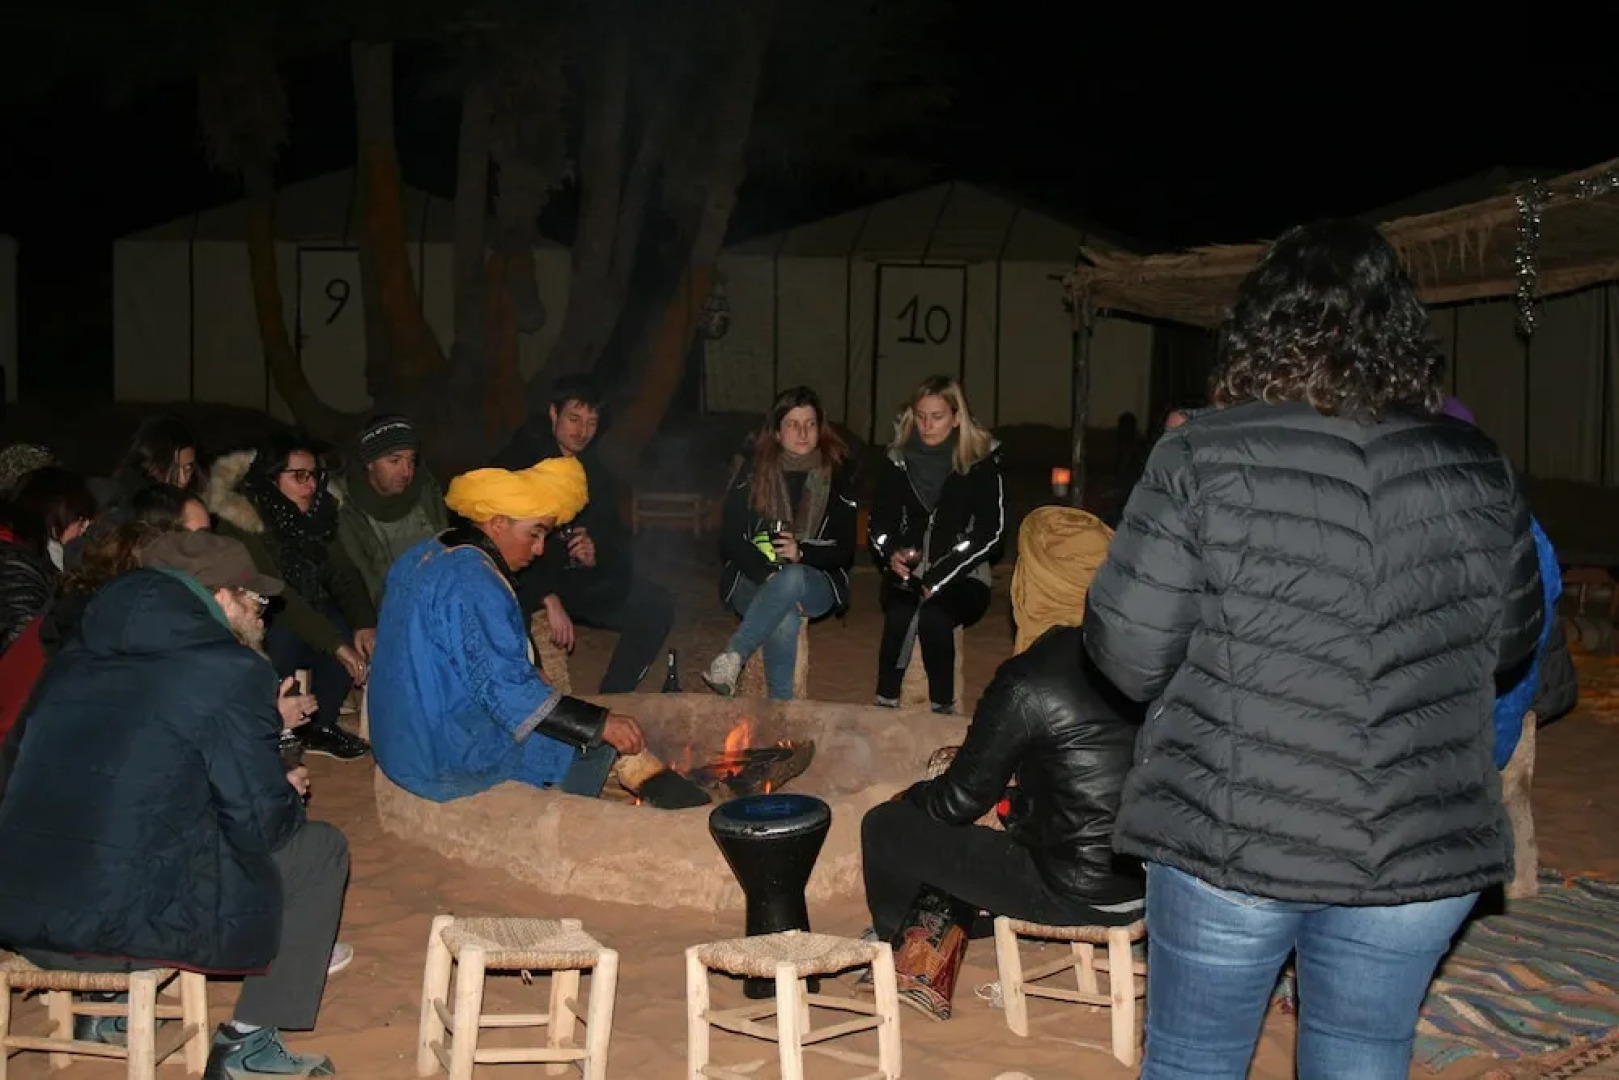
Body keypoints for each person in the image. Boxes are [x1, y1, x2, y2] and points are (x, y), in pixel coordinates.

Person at [1082, 219, 1545, 1079]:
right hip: (1417, 846)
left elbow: (1129, 656)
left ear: (1258, 328)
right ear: (1402, 330)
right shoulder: (1476, 465)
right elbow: (1513, 641)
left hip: (1234, 835)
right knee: (1362, 1058)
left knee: (1193, 1063)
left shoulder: (1200, 456)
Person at [0, 530, 349, 1077]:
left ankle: (101, 1010)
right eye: (257, 602)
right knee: (318, 850)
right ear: (221, 597)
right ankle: (248, 1046)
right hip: (117, 931)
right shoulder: (228, 670)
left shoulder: (73, 659)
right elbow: (264, 830)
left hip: (20, 910)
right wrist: (283, 787)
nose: (265, 616)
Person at [860, 510, 1143, 940]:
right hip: (1153, 884)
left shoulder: (1031, 677)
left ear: (1032, 582)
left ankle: (903, 941)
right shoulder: (1152, 656)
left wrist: (912, 796)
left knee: (885, 826)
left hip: (1074, 892)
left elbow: (958, 802)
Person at [369, 458, 646, 803]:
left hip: (396, 738)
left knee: (552, 714)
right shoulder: (474, 581)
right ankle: (571, 817)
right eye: (534, 533)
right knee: (585, 746)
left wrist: (532, 678)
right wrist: (599, 725)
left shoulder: (433, 549)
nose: (540, 548)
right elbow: (505, 691)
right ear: (497, 523)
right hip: (435, 756)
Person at [491, 375, 675, 693]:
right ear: (553, 414)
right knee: (509, 615)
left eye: (591, 422)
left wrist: (596, 550)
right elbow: (498, 546)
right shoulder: (520, 464)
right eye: (574, 418)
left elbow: (615, 536)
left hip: (572, 580)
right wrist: (545, 596)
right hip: (522, 581)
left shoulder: (592, 469)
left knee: (655, 604)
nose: (582, 430)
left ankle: (615, 696)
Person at [209, 436, 376, 762]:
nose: (310, 485)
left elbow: (344, 576)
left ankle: (320, 725)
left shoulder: (316, 514)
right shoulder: (244, 522)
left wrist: (364, 624)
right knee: (285, 639)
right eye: (298, 476)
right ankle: (268, 723)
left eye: (313, 475)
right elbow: (278, 594)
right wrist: (335, 643)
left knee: (343, 628)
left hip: (305, 606)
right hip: (257, 613)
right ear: (271, 479)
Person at [702, 386, 858, 699]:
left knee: (794, 575)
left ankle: (733, 656)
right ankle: (781, 707)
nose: (803, 432)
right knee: (784, 615)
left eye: (810, 424)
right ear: (776, 432)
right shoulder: (751, 472)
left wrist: (802, 552)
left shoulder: (836, 476)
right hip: (752, 576)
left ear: (820, 428)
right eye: (793, 424)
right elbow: (730, 539)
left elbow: (843, 549)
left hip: (815, 580)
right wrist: (766, 574)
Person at [867, 375, 1004, 714]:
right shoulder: (898, 459)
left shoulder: (979, 461)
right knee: (899, 613)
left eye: (937, 416)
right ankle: (885, 702)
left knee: (935, 617)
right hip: (909, 569)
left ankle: (943, 709)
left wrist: (939, 576)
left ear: (957, 417)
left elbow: (991, 532)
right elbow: (880, 521)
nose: (927, 425)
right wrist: (890, 554)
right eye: (921, 415)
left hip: (963, 574)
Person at [332, 414, 448, 607]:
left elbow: (446, 553)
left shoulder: (426, 490)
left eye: (411, 461)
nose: (406, 472)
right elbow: (361, 581)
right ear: (369, 463)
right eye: (394, 461)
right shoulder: (346, 508)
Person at [0, 466, 97, 652]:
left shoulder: (23, 553)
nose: (84, 529)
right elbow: (26, 644)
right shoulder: (17, 566)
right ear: (56, 516)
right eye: (80, 519)